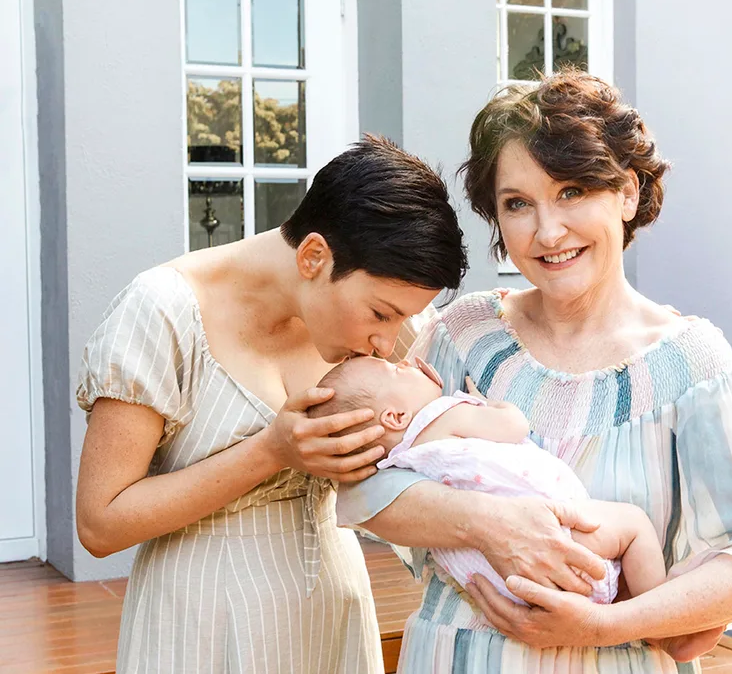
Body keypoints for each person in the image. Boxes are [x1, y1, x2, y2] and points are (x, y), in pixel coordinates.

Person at [337, 72, 732, 672]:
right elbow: (360, 487)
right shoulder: (460, 336)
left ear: (625, 192)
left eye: (571, 191)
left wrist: (604, 623)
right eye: (518, 204)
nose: (547, 232)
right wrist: (490, 524)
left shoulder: (692, 364)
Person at [74, 136, 468, 674]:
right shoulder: (163, 311)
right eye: (381, 314)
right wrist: (271, 451)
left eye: (402, 318)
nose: (389, 339)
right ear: (313, 256)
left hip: (336, 619)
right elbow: (100, 524)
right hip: (201, 629)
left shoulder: (376, 335)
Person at [310, 354, 667, 607]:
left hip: (499, 583)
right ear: (396, 415)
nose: (406, 362)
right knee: (633, 525)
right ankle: (655, 619)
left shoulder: (395, 463)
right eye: (395, 370)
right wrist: (487, 404)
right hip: (555, 534)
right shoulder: (443, 416)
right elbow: (514, 428)